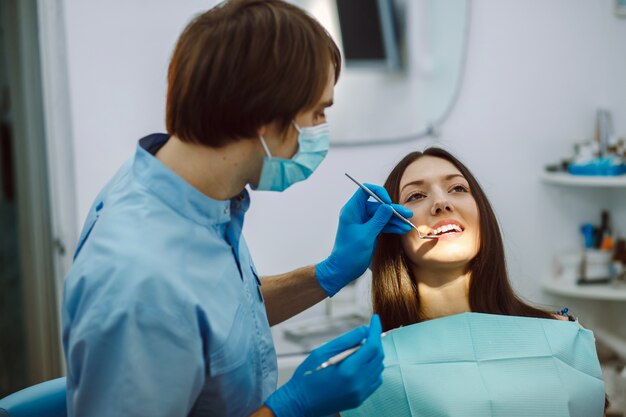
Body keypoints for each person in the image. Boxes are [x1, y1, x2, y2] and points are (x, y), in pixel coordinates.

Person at [61, 1, 414, 416]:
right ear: (262, 116)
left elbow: (221, 317)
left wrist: (328, 273)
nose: (321, 130)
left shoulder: (195, 192)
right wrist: (290, 407)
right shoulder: (139, 284)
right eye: (317, 111)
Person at [346, 147, 609, 416]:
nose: (441, 203)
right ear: (393, 234)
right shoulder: (372, 371)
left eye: (458, 188)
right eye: (416, 195)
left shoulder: (560, 335)